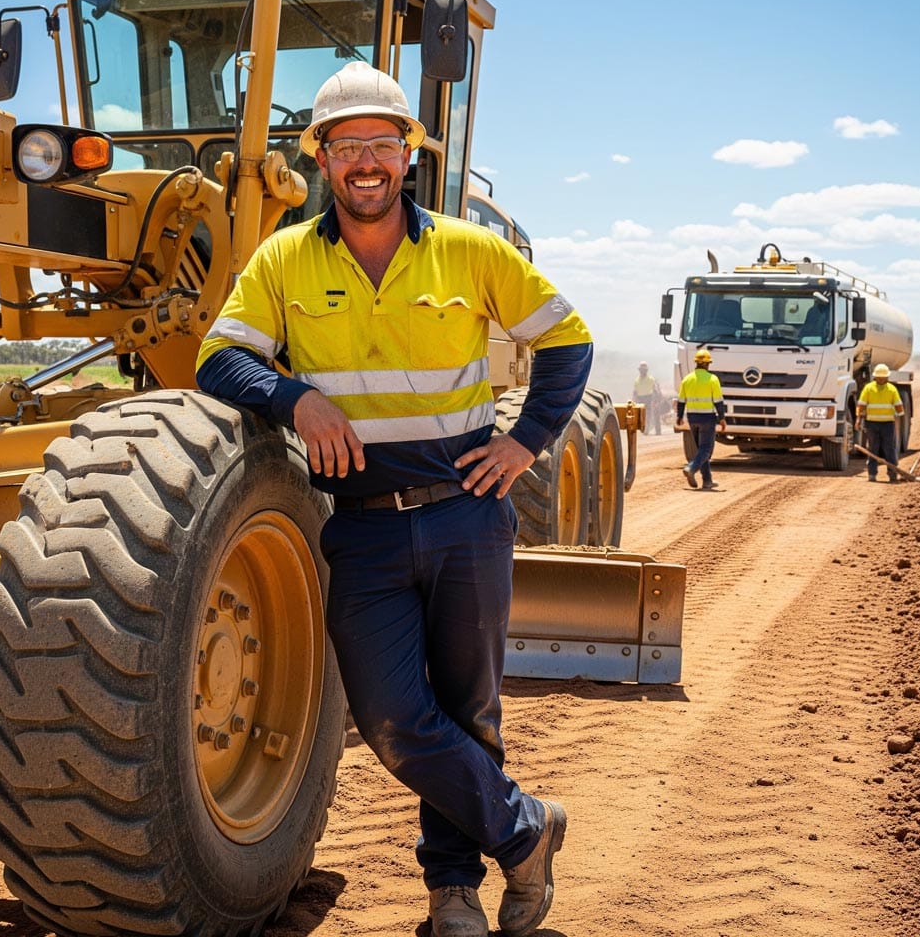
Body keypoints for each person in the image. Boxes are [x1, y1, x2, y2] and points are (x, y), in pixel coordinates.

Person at [195, 61, 590, 937]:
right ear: (323, 160)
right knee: (389, 719)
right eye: (347, 146)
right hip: (363, 530)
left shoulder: (470, 249)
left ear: (408, 154)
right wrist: (295, 397)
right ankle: (528, 831)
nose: (366, 161)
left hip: (466, 514)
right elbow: (218, 359)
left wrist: (526, 441)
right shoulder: (285, 258)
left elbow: (569, 340)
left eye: (383, 143)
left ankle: (453, 891)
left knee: (467, 710)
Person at [675, 348, 726, 490]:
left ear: (696, 363)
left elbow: (681, 401)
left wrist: (679, 417)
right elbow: (718, 401)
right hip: (708, 418)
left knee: (701, 450)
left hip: (692, 418)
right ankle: (691, 468)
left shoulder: (687, 379)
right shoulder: (713, 379)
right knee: (706, 449)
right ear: (708, 364)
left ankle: (707, 481)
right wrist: (722, 418)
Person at [855, 363, 905, 483]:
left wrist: (898, 421)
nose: (881, 379)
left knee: (889, 449)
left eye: (883, 377)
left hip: (887, 424)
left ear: (887, 377)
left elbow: (899, 408)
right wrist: (858, 420)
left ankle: (892, 474)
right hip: (871, 424)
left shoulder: (892, 389)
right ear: (875, 377)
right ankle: (872, 474)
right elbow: (861, 405)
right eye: (879, 377)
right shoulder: (868, 388)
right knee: (873, 449)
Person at [632, 361, 661, 435]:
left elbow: (655, 390)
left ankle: (646, 430)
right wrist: (633, 401)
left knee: (648, 415)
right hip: (640, 399)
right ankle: (645, 428)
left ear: (646, 370)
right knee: (642, 415)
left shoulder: (651, 379)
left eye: (644, 370)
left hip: (649, 398)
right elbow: (635, 392)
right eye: (641, 370)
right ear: (639, 370)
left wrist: (657, 400)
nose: (642, 371)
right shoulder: (637, 381)